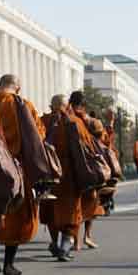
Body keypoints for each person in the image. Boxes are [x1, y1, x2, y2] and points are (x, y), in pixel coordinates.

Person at [0, 74, 44, 275]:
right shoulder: (23, 105)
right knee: (17, 214)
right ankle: (8, 264)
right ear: (17, 88)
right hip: (17, 169)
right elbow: (38, 135)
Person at [42, 94, 96, 261]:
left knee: (50, 210)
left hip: (48, 174)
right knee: (71, 210)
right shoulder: (74, 123)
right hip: (69, 175)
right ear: (67, 107)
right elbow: (88, 146)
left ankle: (54, 243)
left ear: (51, 106)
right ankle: (65, 245)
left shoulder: (42, 121)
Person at [73, 93, 107, 251]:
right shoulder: (91, 121)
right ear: (84, 105)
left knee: (74, 204)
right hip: (88, 166)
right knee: (91, 202)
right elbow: (102, 139)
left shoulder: (66, 118)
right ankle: (86, 236)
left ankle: (75, 240)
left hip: (71, 167)